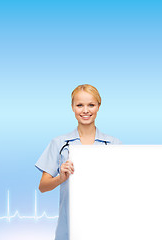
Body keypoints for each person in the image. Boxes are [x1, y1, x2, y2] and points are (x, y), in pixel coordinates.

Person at [35, 84, 121, 240]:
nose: (85, 110)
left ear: (99, 106)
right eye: (80, 105)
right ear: (72, 107)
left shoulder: (113, 144)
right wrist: (60, 178)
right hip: (69, 229)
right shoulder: (59, 143)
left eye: (91, 105)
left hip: (104, 226)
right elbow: (43, 187)